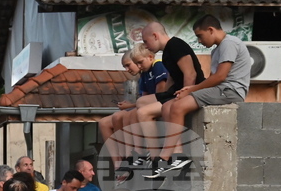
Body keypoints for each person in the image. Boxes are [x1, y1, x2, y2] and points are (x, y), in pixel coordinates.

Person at [146, 14, 252, 179]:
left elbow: (220, 77)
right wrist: (191, 89)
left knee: (178, 106)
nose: (199, 41)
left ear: (211, 30)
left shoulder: (229, 44)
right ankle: (178, 156)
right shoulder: (217, 49)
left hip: (230, 90)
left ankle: (163, 158)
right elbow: (212, 78)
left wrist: (192, 89)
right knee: (168, 106)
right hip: (219, 89)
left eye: (200, 36)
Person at [128, 22, 206, 171]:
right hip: (175, 90)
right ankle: (154, 149)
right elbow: (171, 78)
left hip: (189, 91)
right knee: (141, 102)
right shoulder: (166, 52)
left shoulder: (176, 45)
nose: (145, 45)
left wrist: (183, 97)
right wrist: (164, 94)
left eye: (145, 41)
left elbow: (191, 74)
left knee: (143, 112)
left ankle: (158, 157)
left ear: (155, 36)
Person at [99, 49, 144, 165]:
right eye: (124, 67)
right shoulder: (138, 78)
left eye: (128, 65)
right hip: (134, 108)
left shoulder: (151, 71)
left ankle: (127, 156)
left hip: (141, 110)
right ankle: (117, 162)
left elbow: (151, 98)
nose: (127, 70)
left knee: (118, 116)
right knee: (103, 123)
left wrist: (130, 105)